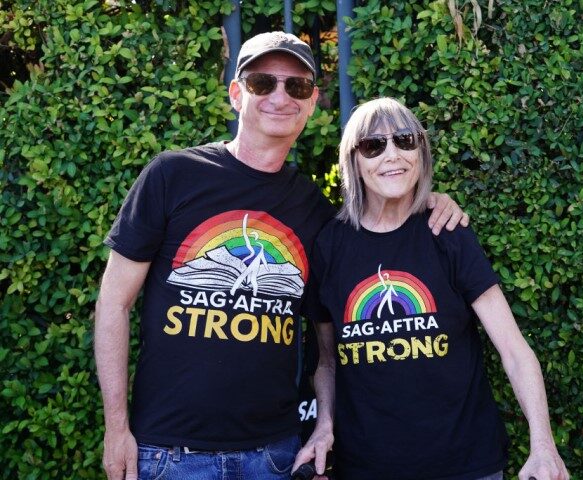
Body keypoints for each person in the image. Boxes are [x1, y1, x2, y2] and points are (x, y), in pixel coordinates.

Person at [94, 33, 468, 480]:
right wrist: (116, 427)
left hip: (274, 454)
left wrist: (430, 199)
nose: (280, 96)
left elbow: (341, 313)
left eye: (297, 87)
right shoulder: (173, 176)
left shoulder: (313, 210)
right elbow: (114, 303)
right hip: (170, 454)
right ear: (236, 94)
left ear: (311, 104)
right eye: (262, 83)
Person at [295, 97, 570, 480]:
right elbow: (327, 362)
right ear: (353, 161)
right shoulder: (330, 246)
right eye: (374, 145)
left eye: (405, 140)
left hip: (466, 466)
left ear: (420, 153)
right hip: (366, 468)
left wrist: (544, 447)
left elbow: (513, 349)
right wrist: (325, 423)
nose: (393, 155)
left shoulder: (447, 232)